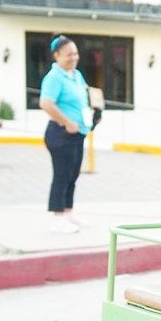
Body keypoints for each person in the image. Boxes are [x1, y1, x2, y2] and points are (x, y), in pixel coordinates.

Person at [40, 34, 100, 234]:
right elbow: (46, 103)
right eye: (68, 54)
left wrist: (93, 113)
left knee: (72, 174)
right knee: (62, 175)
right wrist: (66, 122)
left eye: (75, 53)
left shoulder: (76, 75)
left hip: (78, 133)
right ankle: (57, 218)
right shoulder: (54, 77)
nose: (73, 58)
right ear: (56, 55)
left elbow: (84, 97)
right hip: (61, 133)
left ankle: (68, 212)